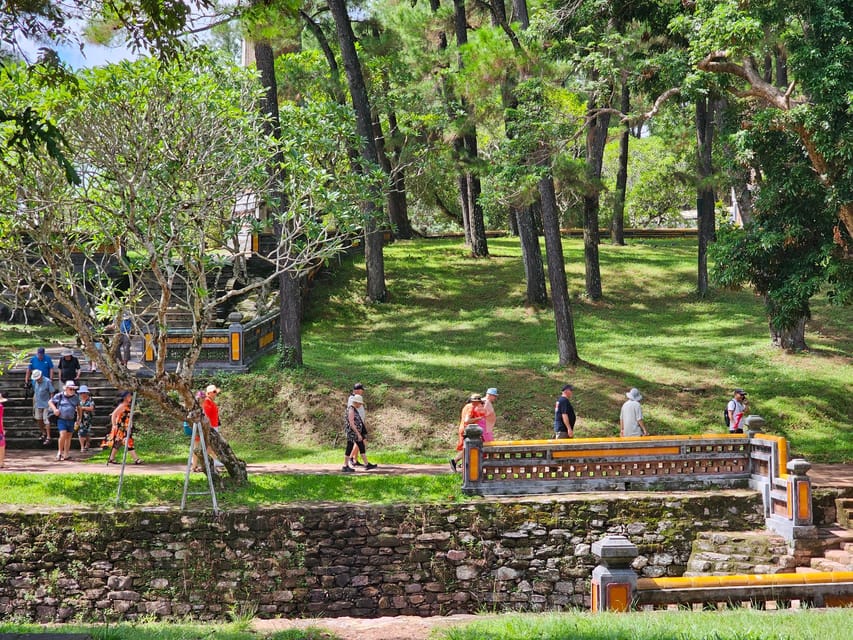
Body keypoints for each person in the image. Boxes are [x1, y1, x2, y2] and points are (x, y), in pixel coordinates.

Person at [450, 394, 486, 472]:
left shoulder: (467, 406)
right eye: (478, 401)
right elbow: (467, 420)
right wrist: (479, 418)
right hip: (467, 430)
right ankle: (455, 461)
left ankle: (464, 464)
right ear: (475, 401)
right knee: (468, 447)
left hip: (465, 428)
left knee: (469, 447)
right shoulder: (471, 407)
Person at [342, 394, 376, 473]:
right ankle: (345, 465)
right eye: (359, 403)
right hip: (352, 433)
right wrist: (358, 433)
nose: (360, 405)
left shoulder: (354, 409)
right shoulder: (351, 409)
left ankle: (367, 464)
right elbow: (351, 423)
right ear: (356, 402)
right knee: (349, 447)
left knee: (361, 447)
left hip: (356, 432)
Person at [106, 391, 142, 464]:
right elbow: (114, 415)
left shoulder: (128, 405)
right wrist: (114, 425)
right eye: (129, 396)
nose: (130, 398)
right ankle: (136, 459)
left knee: (118, 443)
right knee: (128, 441)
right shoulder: (122, 405)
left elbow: (129, 416)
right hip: (121, 427)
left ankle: (111, 458)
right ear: (125, 398)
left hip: (126, 426)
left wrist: (130, 423)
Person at [49, 380, 81, 461]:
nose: (72, 391)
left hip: (71, 419)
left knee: (68, 437)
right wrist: (55, 410)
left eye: (73, 389)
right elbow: (50, 402)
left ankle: (66, 454)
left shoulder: (75, 397)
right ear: (66, 389)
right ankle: (60, 452)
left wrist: (79, 418)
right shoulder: (59, 396)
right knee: (62, 435)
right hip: (62, 419)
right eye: (70, 389)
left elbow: (79, 407)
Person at [30, 369, 55, 445]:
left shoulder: (47, 381)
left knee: (46, 420)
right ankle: (43, 433)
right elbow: (35, 392)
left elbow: (51, 392)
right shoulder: (35, 382)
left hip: (46, 404)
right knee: (38, 419)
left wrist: (51, 403)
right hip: (38, 403)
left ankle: (48, 437)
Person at [347, 383, 367, 467]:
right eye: (361, 390)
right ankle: (351, 458)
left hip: (360, 423)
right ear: (357, 390)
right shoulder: (352, 398)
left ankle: (355, 459)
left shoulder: (357, 398)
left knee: (360, 441)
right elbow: (352, 411)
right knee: (362, 441)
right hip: (356, 424)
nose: (362, 391)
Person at [77, 385, 95, 451]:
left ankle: (87, 443)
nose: (83, 394)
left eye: (84, 393)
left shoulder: (90, 399)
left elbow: (92, 408)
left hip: (88, 419)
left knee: (87, 432)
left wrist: (83, 408)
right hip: (80, 418)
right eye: (81, 393)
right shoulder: (78, 399)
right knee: (81, 432)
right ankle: (82, 447)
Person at [0, 392, 7, 469]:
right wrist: (2, 429)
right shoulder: (0, 407)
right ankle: (1, 462)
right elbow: (0, 419)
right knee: (1, 445)